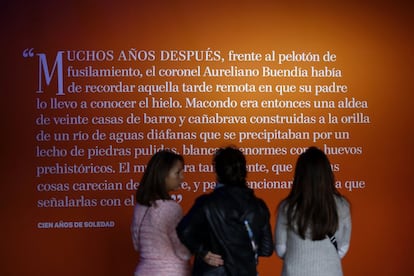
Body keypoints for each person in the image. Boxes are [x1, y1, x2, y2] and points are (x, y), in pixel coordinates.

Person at [177, 146, 274, 276]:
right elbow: (266, 249)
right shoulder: (259, 206)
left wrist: (203, 252)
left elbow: (184, 230)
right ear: (244, 171)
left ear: (217, 172)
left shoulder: (207, 203)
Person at [274, 146, 351, 276]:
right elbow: (343, 247)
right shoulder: (342, 205)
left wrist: (298, 257)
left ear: (299, 175)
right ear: (327, 174)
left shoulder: (287, 207)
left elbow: (280, 248)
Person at [131, 150, 191, 276]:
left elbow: (137, 245)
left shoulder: (140, 207)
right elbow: (183, 252)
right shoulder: (171, 208)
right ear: (163, 175)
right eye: (178, 172)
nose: (182, 177)